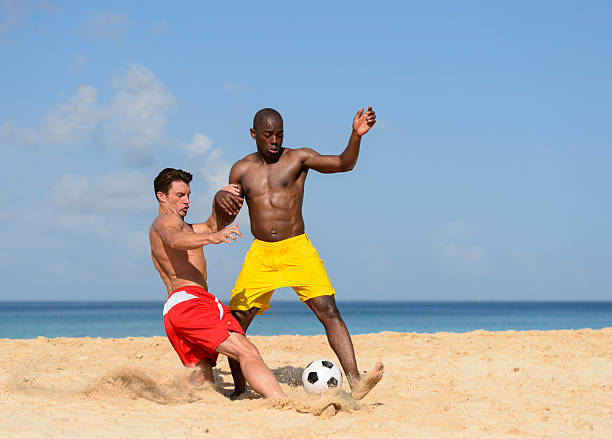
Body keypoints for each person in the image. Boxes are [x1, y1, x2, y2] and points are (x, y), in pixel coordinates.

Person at [216, 107, 384, 400]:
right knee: (236, 320)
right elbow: (227, 216)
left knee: (328, 310)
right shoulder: (240, 169)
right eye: (268, 135)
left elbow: (344, 163)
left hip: (297, 247)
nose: (274, 140)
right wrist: (219, 200)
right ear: (254, 134)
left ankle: (356, 382)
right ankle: (241, 389)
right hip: (261, 253)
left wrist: (355, 136)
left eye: (279, 134)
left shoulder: (298, 158)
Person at [149, 167, 285, 399]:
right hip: (192, 303)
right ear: (162, 196)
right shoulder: (166, 221)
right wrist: (212, 239)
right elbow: (174, 239)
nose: (187, 201)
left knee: (205, 390)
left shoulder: (187, 227)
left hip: (175, 311)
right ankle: (282, 402)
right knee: (247, 351)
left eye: (189, 195)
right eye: (180, 195)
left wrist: (218, 200)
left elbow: (213, 225)